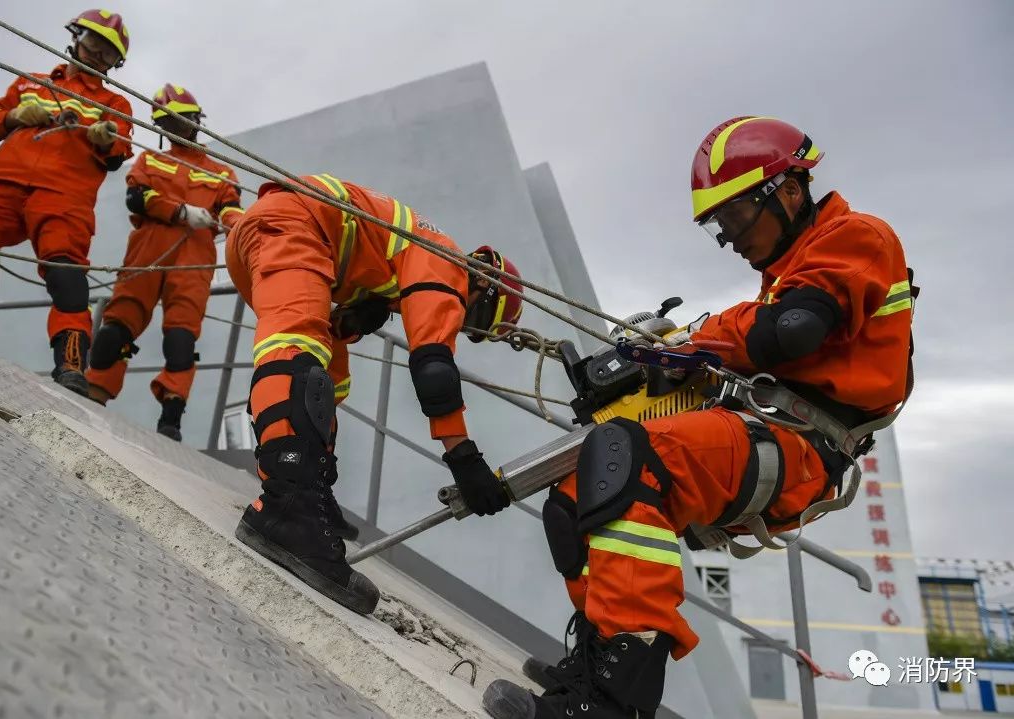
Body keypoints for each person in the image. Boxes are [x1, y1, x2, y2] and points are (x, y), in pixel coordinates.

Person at [483, 116, 914, 719]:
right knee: (574, 495)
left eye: (736, 217)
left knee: (629, 460)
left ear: (789, 189)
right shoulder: (786, 274)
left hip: (801, 444)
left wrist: (696, 342)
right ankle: (599, 659)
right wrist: (684, 351)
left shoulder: (855, 239)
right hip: (766, 429)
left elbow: (793, 330)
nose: (731, 237)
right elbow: (769, 326)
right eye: (721, 226)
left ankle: (612, 702)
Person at [224, 174, 523, 614]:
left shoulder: (409, 250)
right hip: (295, 228)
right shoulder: (450, 265)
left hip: (272, 232)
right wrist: (465, 459)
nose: (459, 321)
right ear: (484, 295)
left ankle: (309, 485)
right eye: (472, 322)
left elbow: (361, 256)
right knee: (297, 350)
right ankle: (288, 506)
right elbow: (434, 366)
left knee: (328, 376)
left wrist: (357, 311)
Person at [0, 9, 133, 395]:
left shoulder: (116, 104)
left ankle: (71, 367)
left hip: (65, 197)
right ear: (76, 37)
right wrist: (14, 116)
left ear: (115, 63)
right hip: (0, 185)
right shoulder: (32, 83)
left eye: (107, 54)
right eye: (93, 44)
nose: (96, 56)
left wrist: (104, 135)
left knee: (66, 275)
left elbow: (116, 154)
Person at [85, 84, 245, 441]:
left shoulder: (221, 172)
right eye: (168, 125)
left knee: (180, 339)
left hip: (193, 258)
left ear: (195, 121)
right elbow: (136, 197)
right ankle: (93, 395)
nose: (177, 130)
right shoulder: (150, 160)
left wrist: (239, 226)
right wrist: (181, 211)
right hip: (148, 249)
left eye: (182, 122)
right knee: (117, 328)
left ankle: (170, 420)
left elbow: (232, 206)